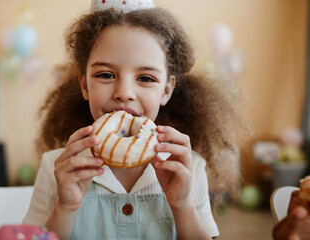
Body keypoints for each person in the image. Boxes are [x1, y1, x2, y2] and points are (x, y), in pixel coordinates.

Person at [23, 0, 244, 239]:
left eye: (146, 78)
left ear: (166, 90)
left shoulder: (188, 167)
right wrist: (65, 209)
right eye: (106, 74)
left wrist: (182, 207)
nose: (124, 93)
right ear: (84, 84)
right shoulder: (56, 167)